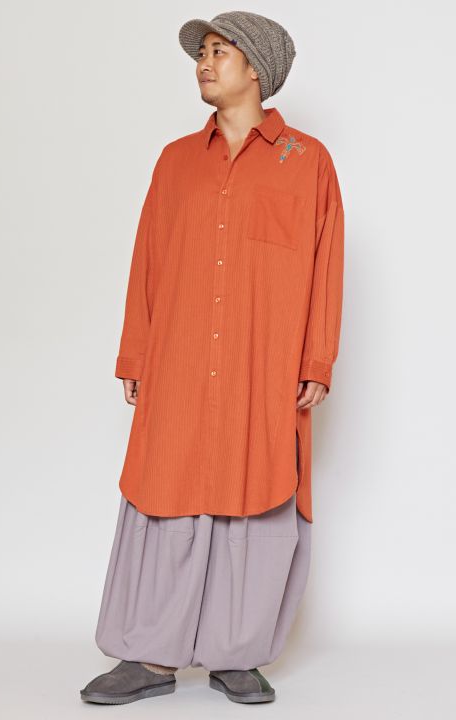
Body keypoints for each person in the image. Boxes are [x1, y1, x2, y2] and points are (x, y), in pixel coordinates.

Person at [80, 10, 344, 706]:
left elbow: (326, 264)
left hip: (264, 366)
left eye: (220, 51)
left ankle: (237, 655)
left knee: (257, 497)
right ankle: (149, 656)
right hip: (180, 360)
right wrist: (136, 353)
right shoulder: (175, 162)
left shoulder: (307, 162)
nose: (204, 62)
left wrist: (316, 359)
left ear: (256, 67)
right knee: (166, 490)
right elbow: (148, 260)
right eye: (203, 51)